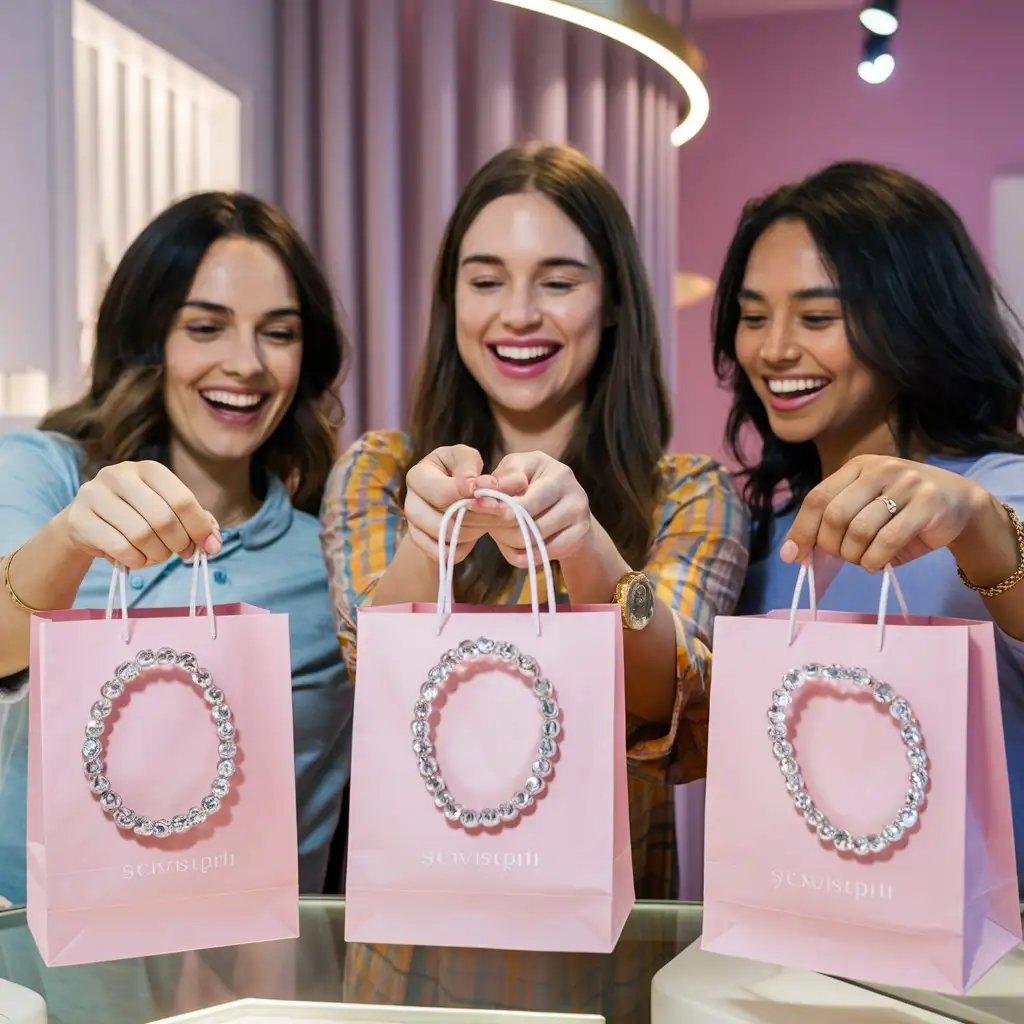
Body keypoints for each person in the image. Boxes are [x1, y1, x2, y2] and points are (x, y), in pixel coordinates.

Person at [321, 140, 748, 1016]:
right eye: (484, 280)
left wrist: (588, 549)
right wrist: (427, 541)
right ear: (451, 302)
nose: (518, 313)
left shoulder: (690, 492)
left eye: (558, 281)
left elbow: (672, 700)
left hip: (598, 969)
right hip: (407, 965)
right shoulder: (380, 470)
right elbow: (374, 664)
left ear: (616, 300)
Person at [0, 191, 353, 904]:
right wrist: (73, 537)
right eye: (205, 327)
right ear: (150, 337)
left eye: (278, 333)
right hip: (35, 970)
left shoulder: (330, 558)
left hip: (248, 986)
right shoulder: (46, 475)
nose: (245, 363)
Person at [713, 161, 1024, 878]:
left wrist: (980, 527)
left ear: (917, 318)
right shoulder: (764, 537)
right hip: (775, 955)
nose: (773, 349)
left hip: (964, 979)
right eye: (753, 316)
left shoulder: (989, 496)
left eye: (818, 317)